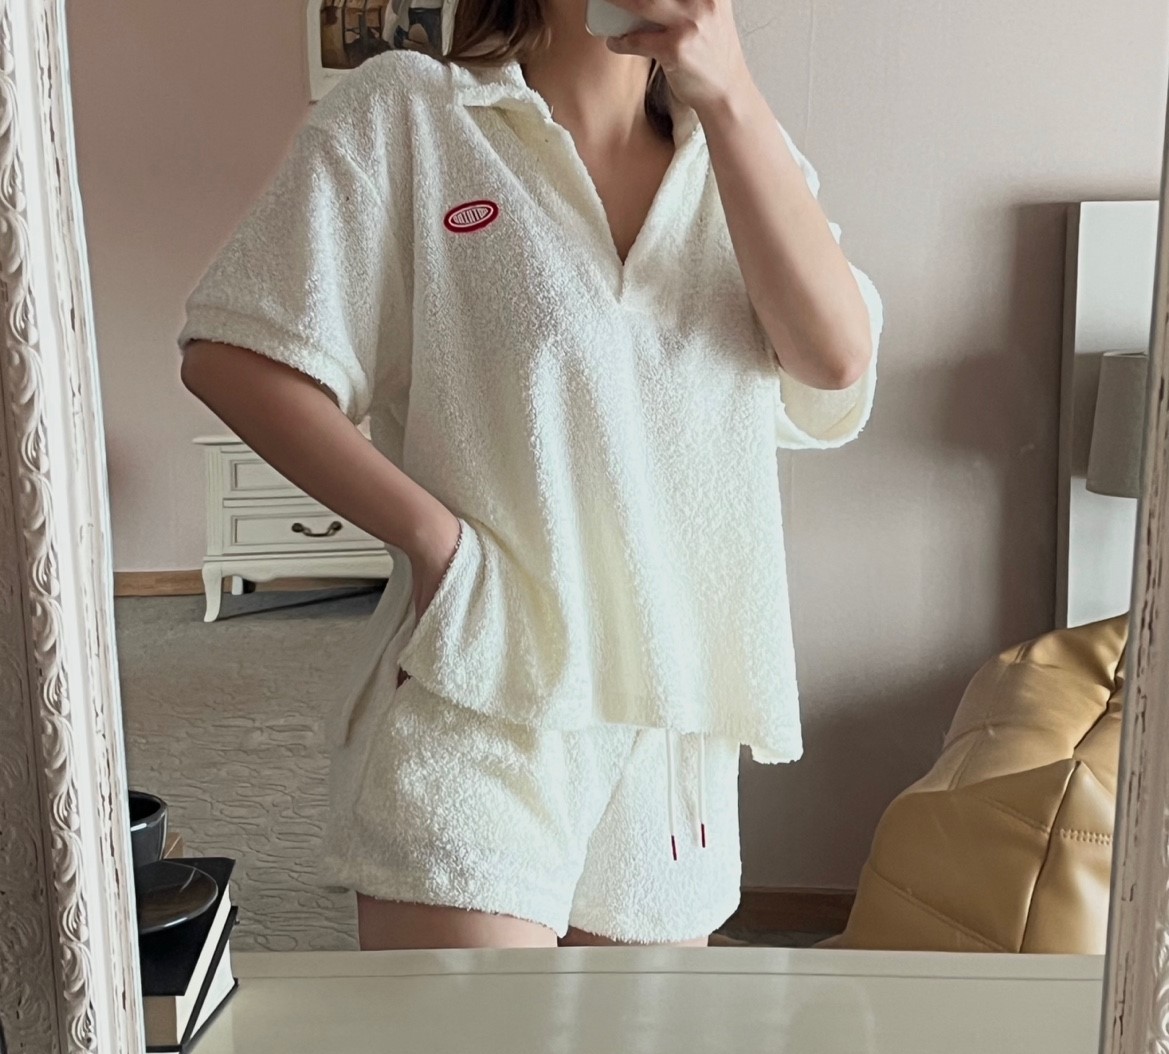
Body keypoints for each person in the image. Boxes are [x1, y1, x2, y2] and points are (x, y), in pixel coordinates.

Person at [177, 0, 882, 951]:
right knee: (474, 1051)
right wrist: (436, 544)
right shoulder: (414, 113)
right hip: (485, 685)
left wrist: (731, 97)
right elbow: (236, 354)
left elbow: (834, 361)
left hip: (671, 734)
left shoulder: (744, 156)